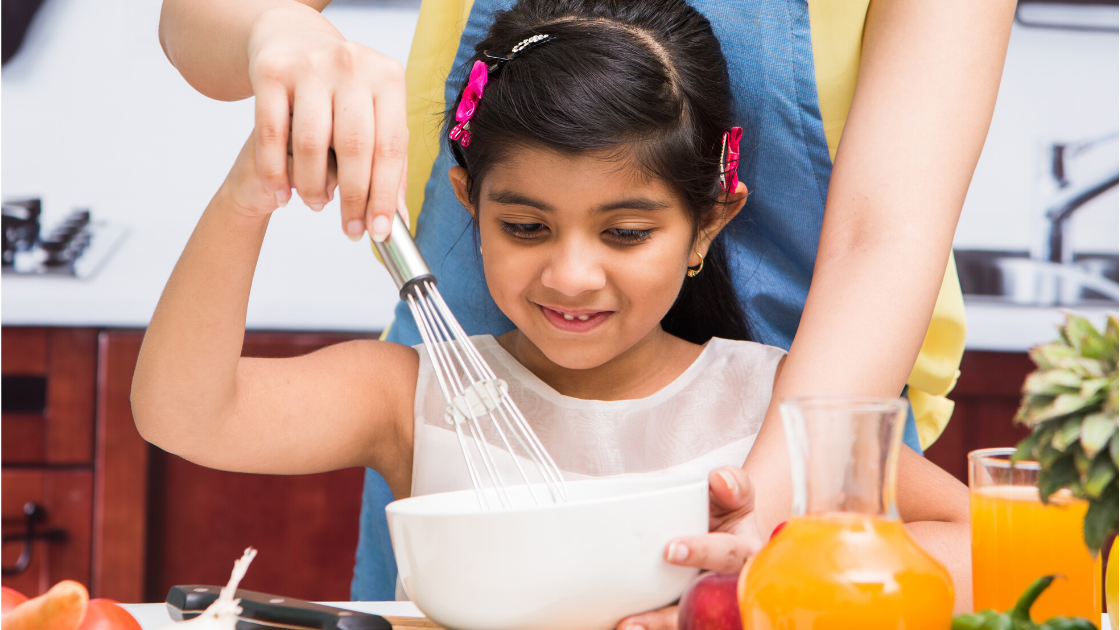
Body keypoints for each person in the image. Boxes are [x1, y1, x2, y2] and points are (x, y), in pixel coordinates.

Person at [157, 0, 1015, 620]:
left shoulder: (760, 399)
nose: (572, 276)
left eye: (626, 230)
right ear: (471, 203)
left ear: (706, 223)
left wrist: (773, 545)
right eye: (526, 224)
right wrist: (257, 153)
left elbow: (1012, 558)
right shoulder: (414, 400)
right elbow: (185, 413)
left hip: (807, 443)